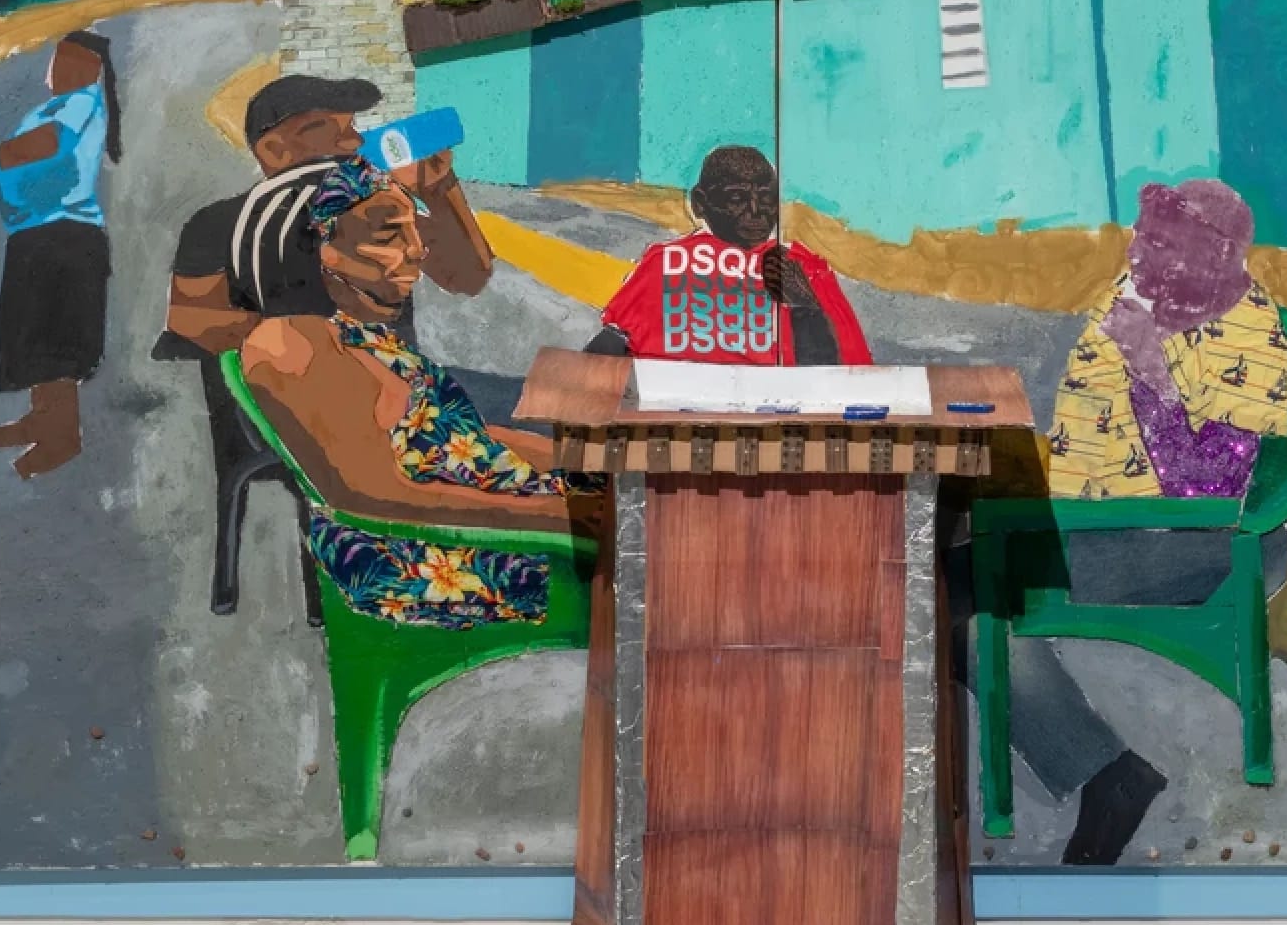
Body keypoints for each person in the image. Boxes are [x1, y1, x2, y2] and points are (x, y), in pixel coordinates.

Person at [1013, 179, 1287, 864]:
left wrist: (1148, 365)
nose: (1139, 252)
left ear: (1217, 253)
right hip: (1108, 526)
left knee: (967, 595)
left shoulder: (1250, 337)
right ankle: (1106, 772)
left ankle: (1106, 777)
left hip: (1199, 545)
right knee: (950, 583)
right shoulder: (1146, 292)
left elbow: (1205, 489)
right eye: (1141, 235)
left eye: (1162, 242)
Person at [159, 74, 496, 614]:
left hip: (396, 403)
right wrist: (302, 344)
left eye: (351, 129)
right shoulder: (221, 222)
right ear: (272, 149)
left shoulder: (378, 209)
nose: (349, 142)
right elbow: (190, 316)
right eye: (325, 129)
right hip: (286, 410)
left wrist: (441, 189)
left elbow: (469, 276)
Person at [242, 155, 597, 629]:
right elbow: (371, 496)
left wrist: (588, 464)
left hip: (474, 513)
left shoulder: (364, 333)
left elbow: (460, 440)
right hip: (413, 555)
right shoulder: (292, 346)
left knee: (668, 504)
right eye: (390, 235)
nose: (416, 250)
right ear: (318, 247)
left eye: (412, 231)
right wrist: (562, 515)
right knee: (671, 564)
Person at [585, 144, 870, 365]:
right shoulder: (664, 264)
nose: (756, 211)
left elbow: (844, 381)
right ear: (700, 203)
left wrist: (806, 309)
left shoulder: (801, 267)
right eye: (737, 198)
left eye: (766, 198)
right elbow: (608, 350)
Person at [0, 31, 122, 477]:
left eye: (74, 63)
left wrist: (6, 152)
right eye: (58, 60)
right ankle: (41, 416)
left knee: (57, 338)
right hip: (34, 233)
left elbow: (41, 146)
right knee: (31, 331)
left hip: (64, 236)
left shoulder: (82, 103)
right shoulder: (52, 105)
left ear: (92, 72)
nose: (60, 69)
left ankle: (62, 436)